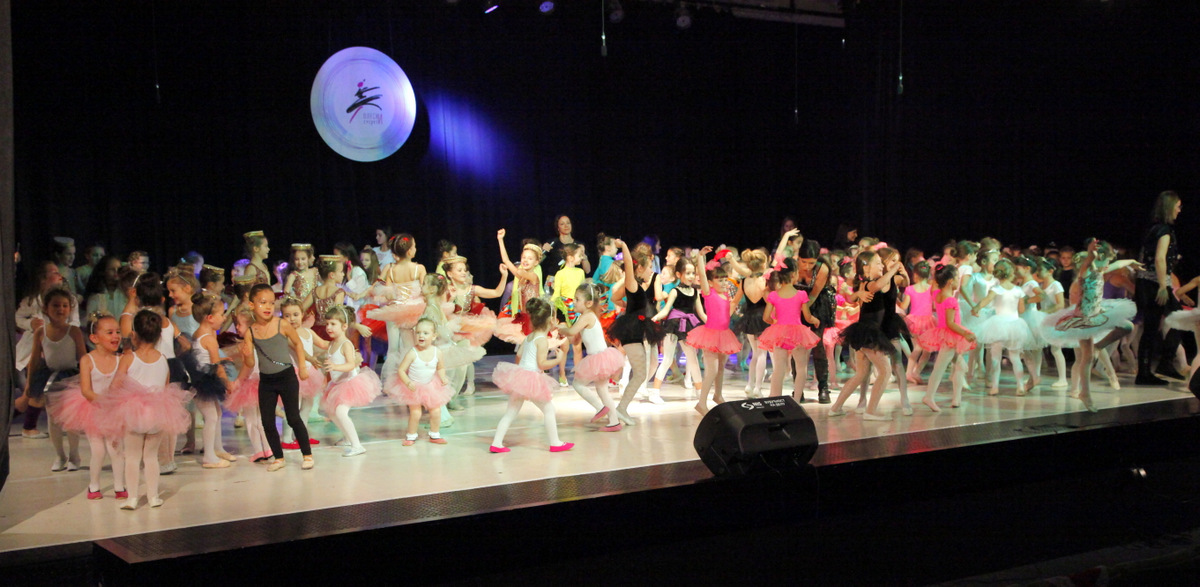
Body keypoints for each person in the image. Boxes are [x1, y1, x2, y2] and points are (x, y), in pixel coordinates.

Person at [98, 309, 192, 510]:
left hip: (134, 413)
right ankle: (153, 497)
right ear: (159, 336)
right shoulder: (162, 359)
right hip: (157, 413)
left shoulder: (128, 358)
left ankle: (132, 498)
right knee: (151, 457)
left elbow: (115, 386)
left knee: (132, 457)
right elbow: (165, 386)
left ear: (134, 335)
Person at [1042, 240, 1139, 412]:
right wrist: (1091, 252)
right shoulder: (1086, 272)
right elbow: (1090, 261)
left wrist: (1131, 261)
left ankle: (1099, 346)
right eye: (1106, 260)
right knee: (1086, 358)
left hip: (1098, 312)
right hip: (1084, 318)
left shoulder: (1101, 270)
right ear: (1098, 258)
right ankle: (1085, 393)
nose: (1108, 264)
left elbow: (1117, 264)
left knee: (1127, 326)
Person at [47, 313, 128, 500]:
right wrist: (104, 403)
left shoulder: (121, 359)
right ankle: (94, 486)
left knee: (116, 450)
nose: (116, 336)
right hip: (94, 410)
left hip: (115, 410)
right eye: (109, 332)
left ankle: (119, 486)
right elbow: (86, 390)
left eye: (117, 332)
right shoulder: (87, 360)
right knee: (98, 451)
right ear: (94, 338)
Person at [243, 284, 314, 471]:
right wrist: (246, 355)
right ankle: (279, 458)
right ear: (251, 305)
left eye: (271, 303)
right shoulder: (250, 332)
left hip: (287, 377)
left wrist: (303, 366)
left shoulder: (282, 324)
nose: (268, 307)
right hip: (266, 381)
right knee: (267, 421)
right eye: (262, 302)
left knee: (293, 417)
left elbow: (298, 344)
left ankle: (307, 455)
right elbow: (250, 363)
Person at [490, 298, 574, 453]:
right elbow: (542, 364)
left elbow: (519, 355)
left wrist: (521, 374)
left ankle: (496, 443)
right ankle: (555, 443)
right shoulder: (542, 340)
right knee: (549, 409)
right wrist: (558, 359)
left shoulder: (529, 337)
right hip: (531, 378)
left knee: (511, 412)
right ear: (550, 320)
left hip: (521, 376)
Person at [18, 288, 86, 470]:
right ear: (46, 308)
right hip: (49, 378)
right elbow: (34, 360)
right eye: (55, 305)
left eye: (64, 305)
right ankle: (60, 455)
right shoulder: (41, 332)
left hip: (71, 377)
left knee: (71, 419)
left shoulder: (74, 331)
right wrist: (29, 386)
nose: (60, 309)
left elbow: (83, 358)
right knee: (53, 420)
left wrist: (86, 380)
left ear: (70, 309)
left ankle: (74, 455)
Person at [829, 250, 902, 421]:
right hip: (869, 334)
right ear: (866, 267)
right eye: (878, 263)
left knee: (861, 374)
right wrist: (893, 269)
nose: (881, 265)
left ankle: (836, 408)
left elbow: (853, 297)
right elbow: (875, 287)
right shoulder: (869, 283)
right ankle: (870, 411)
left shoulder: (865, 284)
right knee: (885, 371)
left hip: (865, 333)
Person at [606, 240, 664, 426]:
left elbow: (615, 297)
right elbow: (628, 265)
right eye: (649, 268)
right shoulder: (632, 284)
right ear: (639, 269)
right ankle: (621, 409)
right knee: (640, 373)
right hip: (631, 330)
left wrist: (628, 305)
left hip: (635, 329)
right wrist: (624, 246)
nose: (651, 271)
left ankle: (622, 408)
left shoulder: (635, 287)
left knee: (640, 373)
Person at [181, 292, 238, 469]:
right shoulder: (209, 339)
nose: (224, 317)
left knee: (217, 414)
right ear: (210, 318)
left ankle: (217, 448)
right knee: (211, 417)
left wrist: (221, 360)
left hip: (203, 377)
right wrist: (228, 384)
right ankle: (209, 456)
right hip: (204, 381)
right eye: (222, 314)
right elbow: (216, 366)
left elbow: (204, 358)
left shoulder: (200, 333)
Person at [1134, 190, 1185, 385]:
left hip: (1148, 282)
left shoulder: (1154, 228)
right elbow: (1159, 259)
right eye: (1178, 206)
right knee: (1167, 322)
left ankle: (1159, 365)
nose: (1179, 210)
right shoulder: (1163, 230)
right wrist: (1163, 286)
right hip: (1154, 284)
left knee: (1165, 322)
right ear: (1169, 206)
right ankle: (1148, 371)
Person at [320, 305, 382, 457]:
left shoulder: (345, 344)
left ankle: (357, 445)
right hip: (337, 383)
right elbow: (329, 361)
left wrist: (335, 366)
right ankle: (347, 438)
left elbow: (350, 364)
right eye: (327, 324)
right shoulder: (332, 343)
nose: (329, 327)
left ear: (344, 326)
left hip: (350, 383)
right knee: (331, 412)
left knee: (340, 412)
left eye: (333, 324)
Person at [687, 249, 744, 414]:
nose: (724, 283)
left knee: (720, 368)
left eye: (725, 279)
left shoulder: (726, 295)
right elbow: (702, 275)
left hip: (724, 334)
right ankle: (701, 402)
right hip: (711, 335)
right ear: (711, 283)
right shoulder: (708, 293)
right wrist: (700, 257)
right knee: (711, 370)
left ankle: (718, 395)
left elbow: (729, 310)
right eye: (720, 280)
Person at [560, 283, 624, 430]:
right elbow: (575, 339)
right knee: (603, 391)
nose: (573, 302)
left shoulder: (588, 316)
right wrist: (564, 333)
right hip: (600, 357)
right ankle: (614, 422)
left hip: (598, 358)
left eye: (577, 299)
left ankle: (600, 408)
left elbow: (571, 332)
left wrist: (562, 328)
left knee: (578, 384)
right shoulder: (584, 317)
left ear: (588, 303)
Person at [756, 258, 821, 402]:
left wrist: (775, 323)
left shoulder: (774, 295)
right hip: (797, 333)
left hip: (780, 333)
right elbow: (808, 317)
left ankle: (775, 398)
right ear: (793, 274)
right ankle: (797, 400)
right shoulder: (801, 294)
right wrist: (815, 320)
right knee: (801, 367)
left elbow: (766, 317)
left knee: (779, 369)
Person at [971, 259, 1035, 396]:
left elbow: (986, 301)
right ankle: (1020, 386)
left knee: (995, 358)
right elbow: (1021, 310)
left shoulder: (996, 289)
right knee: (1015, 358)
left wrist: (976, 308)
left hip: (998, 325)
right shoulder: (1018, 290)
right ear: (1011, 273)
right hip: (1015, 325)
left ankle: (995, 387)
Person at [918, 265, 977, 410]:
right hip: (950, 336)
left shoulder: (937, 294)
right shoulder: (950, 300)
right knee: (939, 368)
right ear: (950, 281)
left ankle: (957, 399)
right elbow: (951, 323)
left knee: (961, 366)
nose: (959, 281)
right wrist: (966, 334)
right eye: (957, 278)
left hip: (945, 334)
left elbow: (933, 287)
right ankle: (929, 396)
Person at [389, 318, 454, 446]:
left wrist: (443, 377)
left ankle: (434, 434)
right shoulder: (412, 353)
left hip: (431, 386)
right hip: (414, 387)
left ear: (434, 336)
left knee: (436, 411)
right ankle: (411, 435)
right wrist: (407, 382)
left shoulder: (437, 352)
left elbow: (440, 367)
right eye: (418, 333)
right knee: (416, 413)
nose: (421, 336)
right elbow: (401, 370)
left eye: (425, 333)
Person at [279, 297, 326, 450]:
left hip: (308, 373)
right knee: (292, 407)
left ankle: (301, 436)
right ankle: (286, 439)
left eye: (295, 314)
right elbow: (298, 349)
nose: (292, 319)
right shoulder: (285, 333)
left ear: (302, 314)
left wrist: (340, 342)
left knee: (307, 405)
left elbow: (323, 344)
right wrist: (311, 358)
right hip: (293, 373)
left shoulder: (308, 332)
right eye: (287, 315)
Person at [734, 249, 770, 398]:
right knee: (762, 354)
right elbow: (769, 301)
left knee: (755, 353)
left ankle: (750, 385)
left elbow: (734, 301)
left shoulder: (744, 281)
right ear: (763, 265)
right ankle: (757, 388)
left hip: (749, 318)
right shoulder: (765, 281)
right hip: (763, 318)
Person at [283, 244, 317, 310]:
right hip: (301, 307)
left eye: (303, 259)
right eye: (297, 259)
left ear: (308, 258)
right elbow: (286, 292)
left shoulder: (315, 271)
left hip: (315, 307)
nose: (300, 262)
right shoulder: (294, 275)